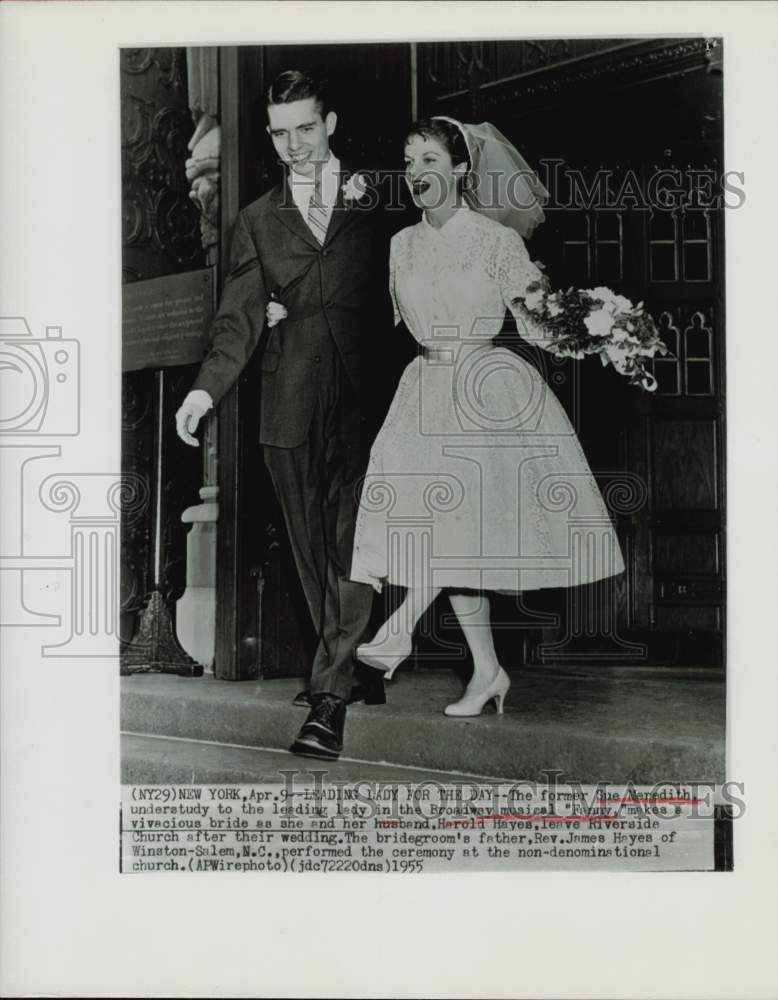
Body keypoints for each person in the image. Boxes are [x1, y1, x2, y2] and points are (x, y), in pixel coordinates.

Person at [350, 117, 625, 717]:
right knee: (451, 533)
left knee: (457, 522)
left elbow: (540, 316)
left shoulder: (497, 241)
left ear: (459, 170)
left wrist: (603, 328)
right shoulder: (401, 243)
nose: (416, 172)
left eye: (428, 160)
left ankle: (399, 628)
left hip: (484, 390)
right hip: (424, 388)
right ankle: (489, 672)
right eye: (409, 161)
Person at [175, 70, 395, 761]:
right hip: (288, 400)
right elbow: (237, 319)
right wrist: (203, 392)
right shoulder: (255, 220)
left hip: (369, 401)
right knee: (311, 551)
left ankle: (328, 699)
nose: (295, 144)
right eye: (280, 133)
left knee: (355, 543)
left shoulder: (381, 197)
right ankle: (350, 664)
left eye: (306, 128)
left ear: (329, 124)